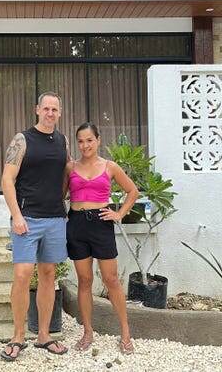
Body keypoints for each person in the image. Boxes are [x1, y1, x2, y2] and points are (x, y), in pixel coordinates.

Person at [0, 91, 71, 362]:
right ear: (37, 110)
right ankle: (18, 336)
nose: (50, 113)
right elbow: (7, 179)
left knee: (49, 274)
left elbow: (66, 174)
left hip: (54, 218)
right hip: (27, 218)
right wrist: (16, 216)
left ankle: (43, 335)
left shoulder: (62, 141)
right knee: (22, 274)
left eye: (55, 109)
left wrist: (62, 201)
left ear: (59, 113)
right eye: (46, 108)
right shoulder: (22, 139)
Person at [66, 122, 138, 355]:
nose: (85, 145)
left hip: (101, 224)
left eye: (89, 140)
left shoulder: (110, 166)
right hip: (77, 225)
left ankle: (125, 333)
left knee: (111, 279)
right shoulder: (70, 167)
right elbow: (59, 195)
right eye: (80, 141)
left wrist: (119, 214)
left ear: (98, 140)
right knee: (84, 280)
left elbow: (132, 191)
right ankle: (87, 332)